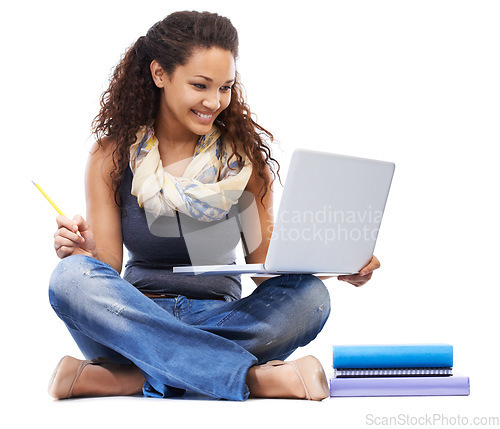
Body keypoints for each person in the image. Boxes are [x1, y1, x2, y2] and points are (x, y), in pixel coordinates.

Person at [47, 10, 381, 402]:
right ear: (160, 75)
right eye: (200, 85)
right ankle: (253, 380)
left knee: (310, 298)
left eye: (224, 87)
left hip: (222, 316)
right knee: (69, 279)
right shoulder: (112, 156)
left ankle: (129, 378)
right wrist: (83, 254)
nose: (214, 101)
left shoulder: (243, 163)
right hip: (135, 316)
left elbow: (266, 269)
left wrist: (336, 264)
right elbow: (107, 268)